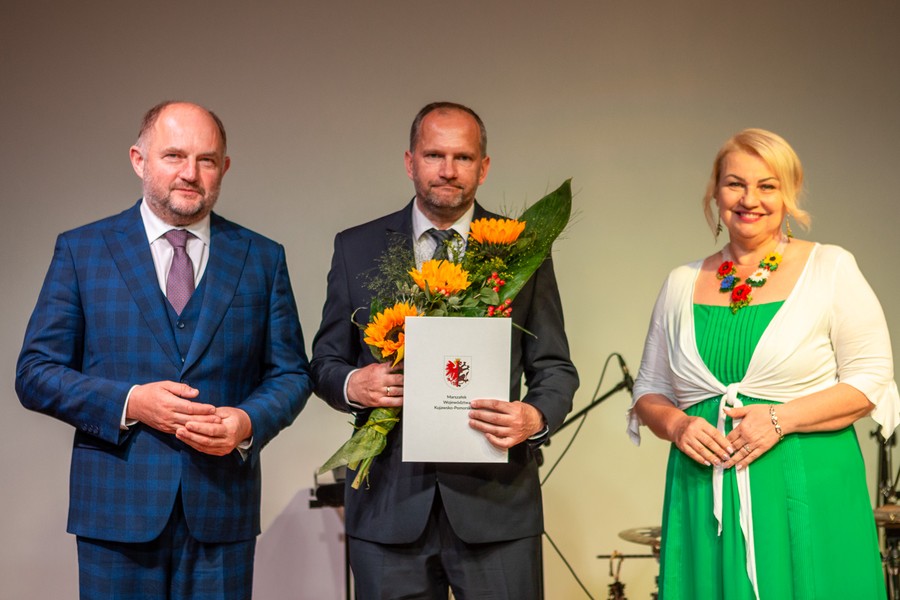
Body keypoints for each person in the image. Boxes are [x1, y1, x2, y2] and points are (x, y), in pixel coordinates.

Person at [16, 101, 312, 599]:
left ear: (224, 167)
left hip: (222, 512)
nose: (190, 173)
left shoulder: (262, 257)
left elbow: (291, 374)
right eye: (174, 156)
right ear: (139, 160)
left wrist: (245, 423)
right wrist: (131, 403)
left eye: (206, 160)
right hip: (115, 514)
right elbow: (35, 373)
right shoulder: (83, 250)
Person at [311, 101, 579, 599]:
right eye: (434, 155)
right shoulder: (356, 247)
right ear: (410, 161)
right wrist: (354, 384)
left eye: (463, 157)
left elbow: (555, 368)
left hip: (497, 509)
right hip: (388, 508)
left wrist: (534, 417)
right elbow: (325, 362)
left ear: (484, 166)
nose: (448, 170)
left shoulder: (520, 249)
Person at [628, 128, 899, 599]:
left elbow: (871, 379)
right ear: (715, 192)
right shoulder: (680, 282)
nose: (749, 199)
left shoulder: (830, 268)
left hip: (807, 488)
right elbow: (649, 390)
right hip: (703, 491)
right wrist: (677, 425)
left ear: (789, 193)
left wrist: (779, 419)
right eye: (735, 183)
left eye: (767, 185)